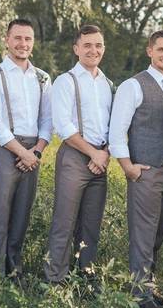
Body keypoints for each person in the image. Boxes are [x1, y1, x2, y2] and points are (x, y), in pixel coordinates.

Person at [108, 30, 163, 308]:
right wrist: (128, 167)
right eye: (161, 49)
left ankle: (149, 287)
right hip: (144, 171)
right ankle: (139, 297)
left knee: (158, 234)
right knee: (142, 233)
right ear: (150, 51)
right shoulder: (133, 85)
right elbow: (117, 130)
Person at [0, 18, 52, 281]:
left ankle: (13, 272)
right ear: (7, 40)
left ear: (33, 42)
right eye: (17, 38)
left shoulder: (43, 78)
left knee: (22, 214)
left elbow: (47, 121)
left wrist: (37, 151)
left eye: (28, 39)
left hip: (34, 150)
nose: (23, 44)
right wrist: (22, 153)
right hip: (5, 148)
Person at [44, 25, 114, 284]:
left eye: (98, 45)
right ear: (76, 48)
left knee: (91, 225)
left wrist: (104, 154)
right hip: (74, 158)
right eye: (87, 45)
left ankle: (85, 279)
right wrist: (93, 153)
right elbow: (63, 127)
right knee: (64, 222)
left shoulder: (107, 84)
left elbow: (111, 125)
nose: (93, 50)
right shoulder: (65, 81)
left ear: (103, 49)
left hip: (101, 161)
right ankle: (55, 281)